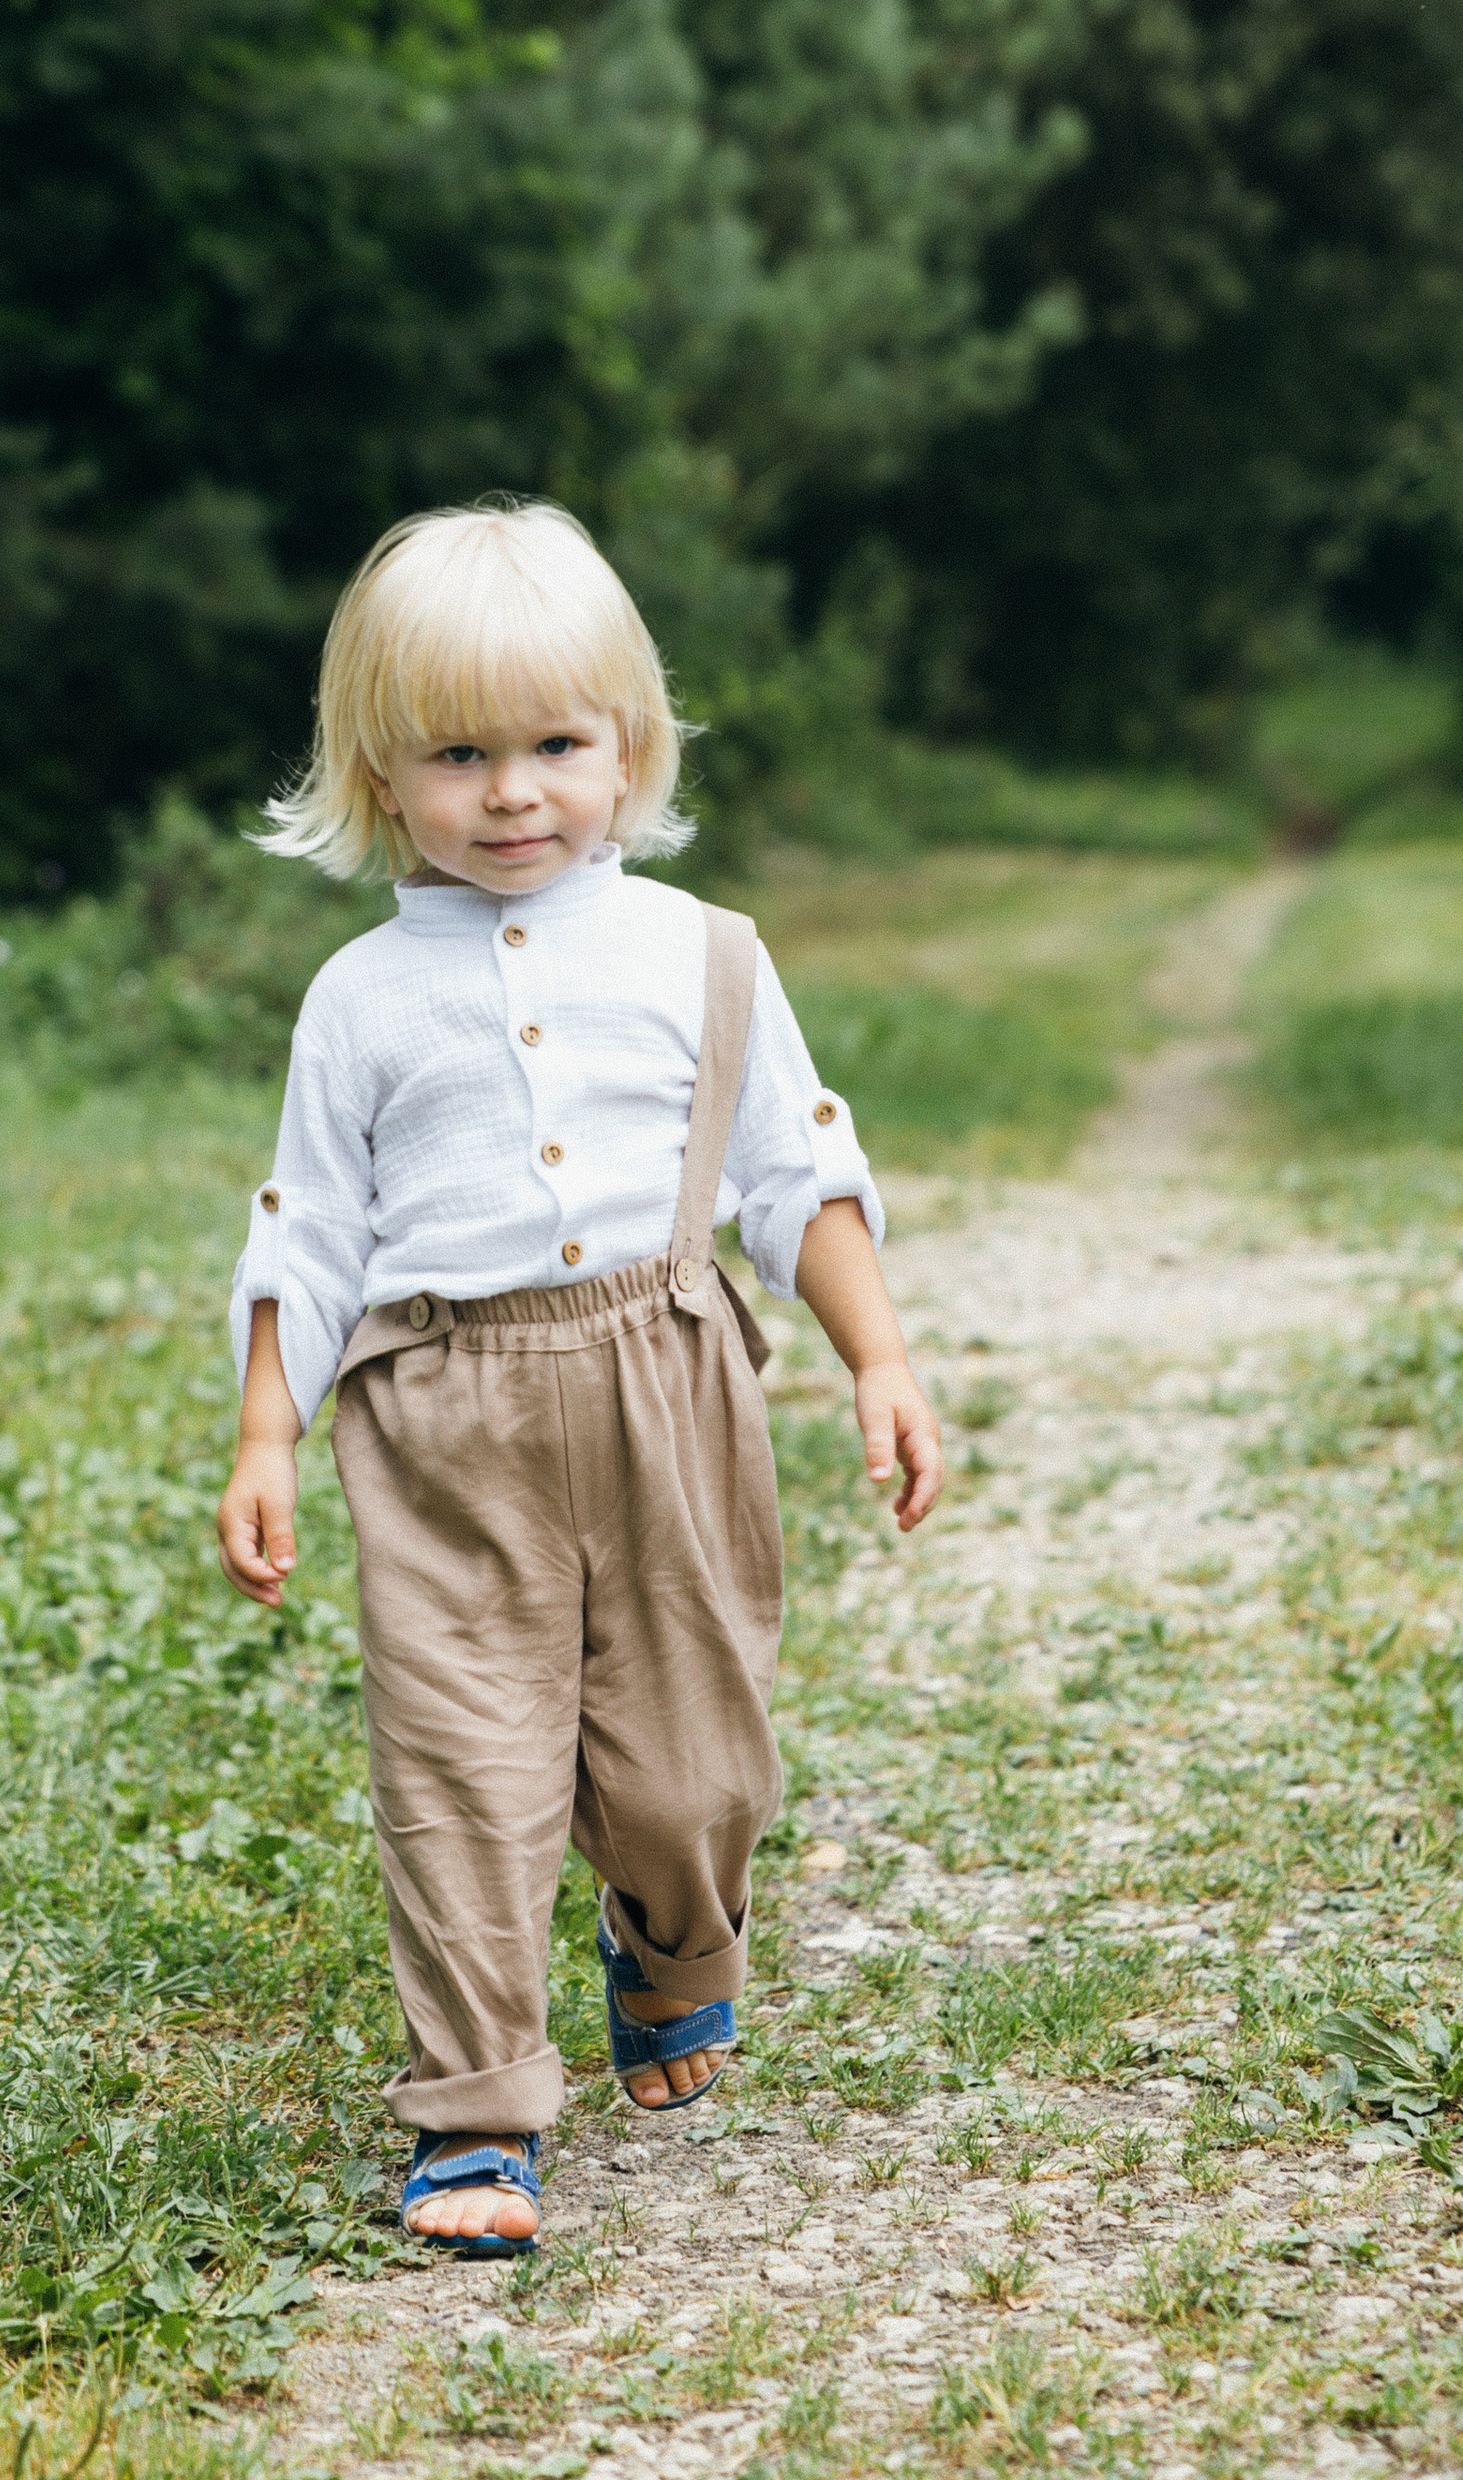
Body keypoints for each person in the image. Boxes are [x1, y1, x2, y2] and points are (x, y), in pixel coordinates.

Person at [218, 501, 942, 2256]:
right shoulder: (360, 1000)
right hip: (443, 1420)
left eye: (556, 744)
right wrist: (264, 1429)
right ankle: (475, 2113)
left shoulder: (705, 955)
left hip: (669, 1386)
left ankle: (669, 1941)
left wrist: (880, 1355)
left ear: (630, 745)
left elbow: (795, 1171)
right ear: (383, 776)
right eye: (460, 754)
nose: (515, 790)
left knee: (696, 1768)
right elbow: (308, 1227)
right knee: (461, 1768)